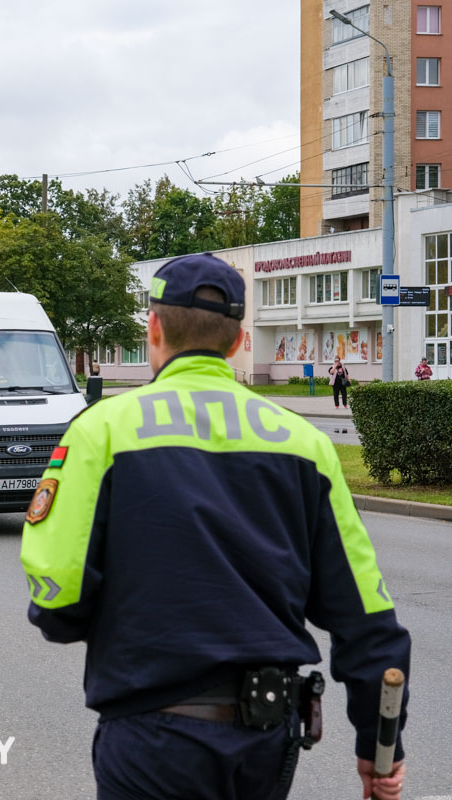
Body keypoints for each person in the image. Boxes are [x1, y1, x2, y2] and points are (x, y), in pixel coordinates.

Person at [20, 252, 411, 800]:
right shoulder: (305, 444)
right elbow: (367, 617)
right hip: (266, 738)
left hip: (152, 737)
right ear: (236, 341)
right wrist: (378, 747)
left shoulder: (101, 432)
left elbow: (59, 598)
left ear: (153, 328)